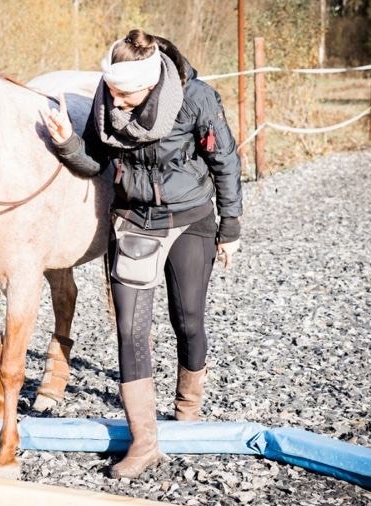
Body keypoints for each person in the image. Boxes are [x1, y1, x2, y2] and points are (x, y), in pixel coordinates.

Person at [42, 30, 242, 479]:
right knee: (130, 329)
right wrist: (67, 142)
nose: (117, 99)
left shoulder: (196, 97)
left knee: (187, 319)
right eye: (112, 88)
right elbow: (94, 162)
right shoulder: (106, 99)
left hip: (191, 218)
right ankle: (144, 442)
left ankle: (187, 412)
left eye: (126, 92)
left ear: (152, 82)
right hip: (133, 221)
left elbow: (225, 161)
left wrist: (230, 229)